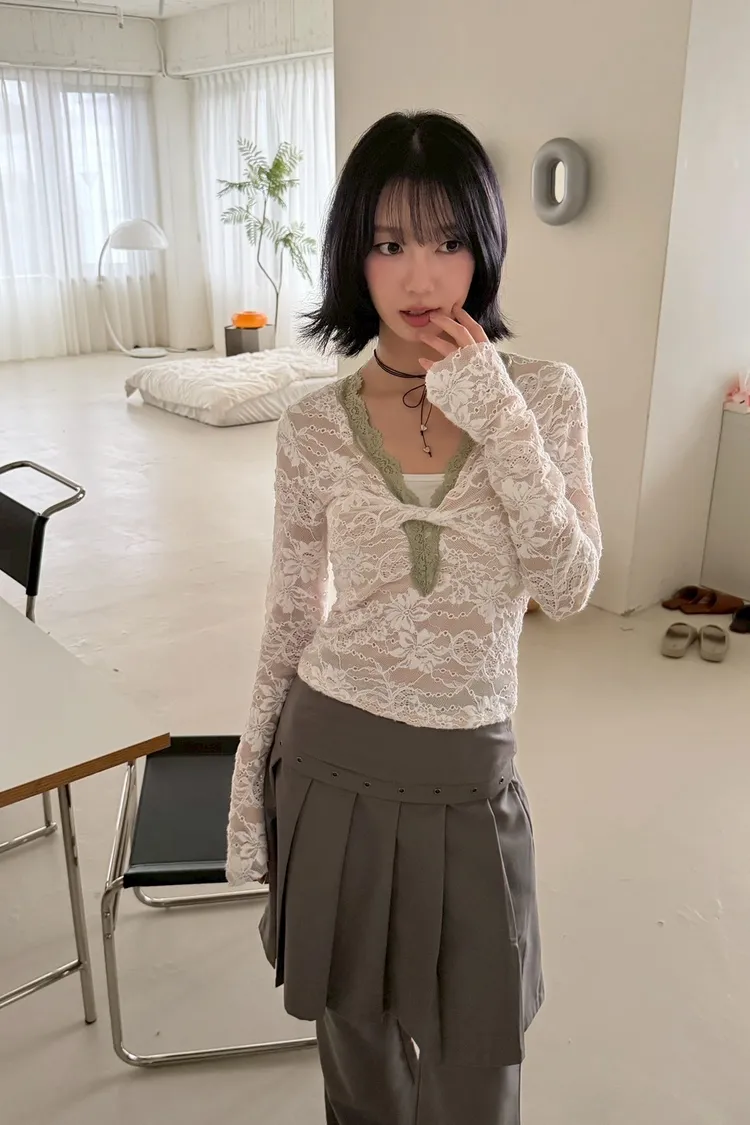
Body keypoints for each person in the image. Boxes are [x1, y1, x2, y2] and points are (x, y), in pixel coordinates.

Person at [226, 110, 601, 1125]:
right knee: (358, 1061)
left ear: (487, 245)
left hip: (469, 775)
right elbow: (289, 618)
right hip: (329, 761)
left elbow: (570, 585)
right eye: (390, 243)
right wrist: (249, 792)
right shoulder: (311, 426)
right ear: (354, 253)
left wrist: (497, 413)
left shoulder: (545, 396)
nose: (421, 275)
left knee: (479, 1064)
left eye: (448, 240)